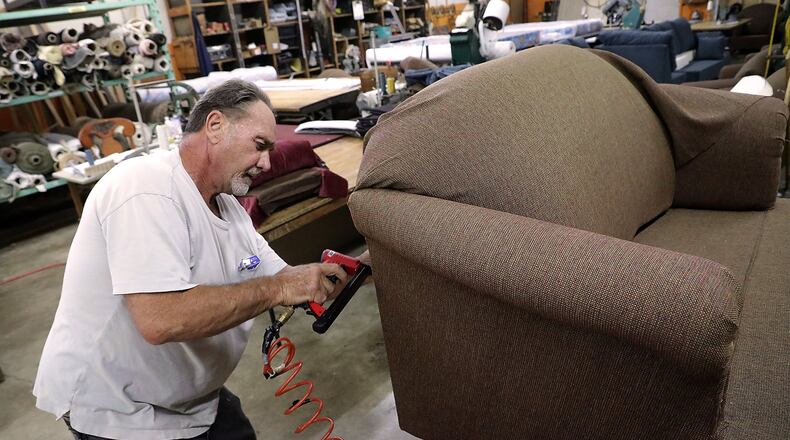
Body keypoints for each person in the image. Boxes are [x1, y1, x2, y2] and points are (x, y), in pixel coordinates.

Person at [33, 79, 364, 440]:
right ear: (216, 126)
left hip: (191, 400)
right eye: (260, 146)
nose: (267, 163)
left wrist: (360, 266)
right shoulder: (145, 188)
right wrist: (280, 288)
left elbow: (286, 277)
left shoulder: (227, 206)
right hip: (122, 410)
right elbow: (161, 319)